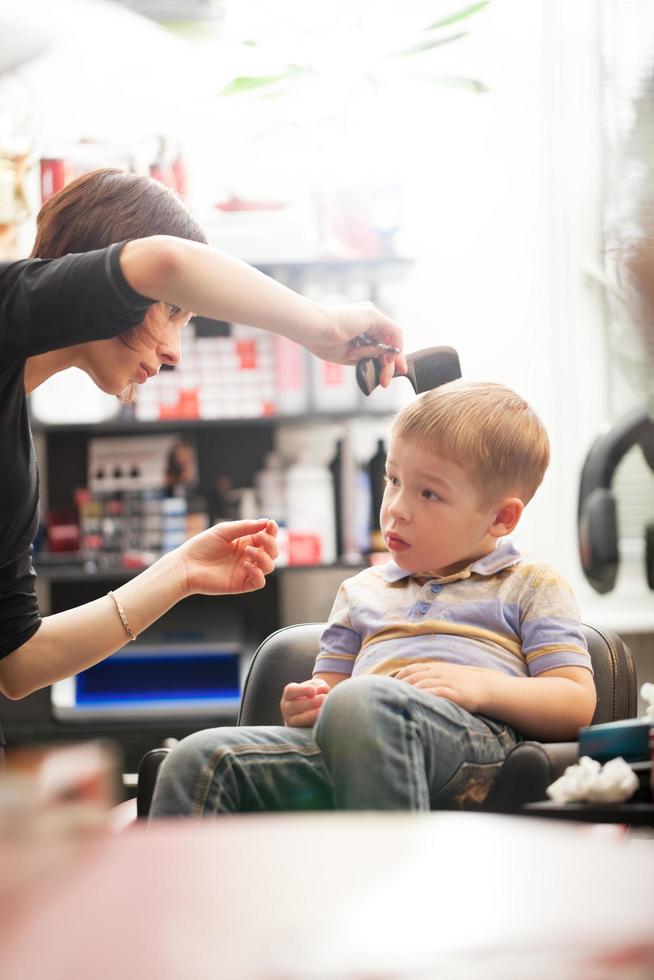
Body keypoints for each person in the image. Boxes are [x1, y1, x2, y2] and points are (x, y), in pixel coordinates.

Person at [0, 167, 405, 722]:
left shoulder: (16, 463)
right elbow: (169, 262)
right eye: (171, 310)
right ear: (98, 284)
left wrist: (181, 573)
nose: (174, 352)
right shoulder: (3, 301)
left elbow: (18, 662)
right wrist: (321, 329)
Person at [150, 380, 597, 816]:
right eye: (394, 479)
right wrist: (308, 706)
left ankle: (386, 887)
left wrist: (480, 687)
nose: (396, 507)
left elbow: (575, 703)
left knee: (362, 703)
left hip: (474, 749)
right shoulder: (360, 591)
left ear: (501, 517)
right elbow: (334, 698)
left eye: (429, 493)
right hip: (350, 744)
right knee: (196, 759)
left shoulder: (531, 583)